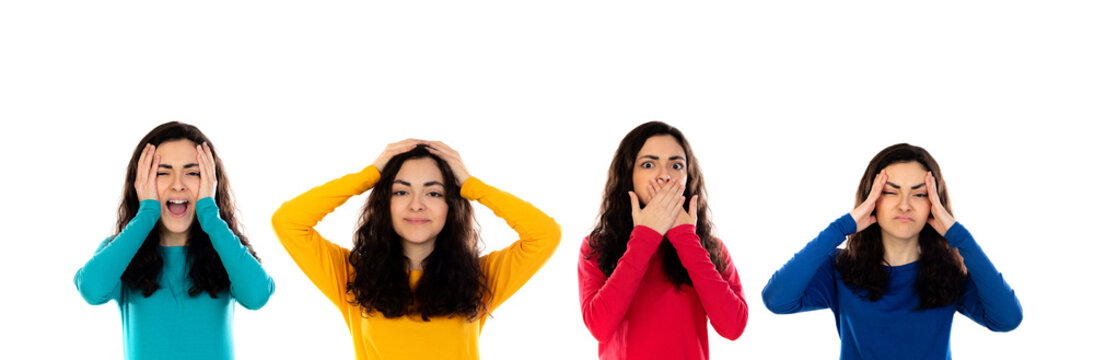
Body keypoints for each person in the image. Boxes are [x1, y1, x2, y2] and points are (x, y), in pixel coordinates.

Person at [271, 139, 560, 360]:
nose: (416, 204)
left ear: (451, 204)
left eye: (433, 192)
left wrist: (472, 185)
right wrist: (369, 176)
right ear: (386, 202)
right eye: (401, 191)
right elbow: (288, 222)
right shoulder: (352, 275)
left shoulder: (479, 277)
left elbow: (545, 234)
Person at [761, 143, 1023, 359]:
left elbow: (1007, 319)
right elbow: (777, 299)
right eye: (890, 192)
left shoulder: (949, 273)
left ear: (934, 203)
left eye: (919, 194)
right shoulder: (840, 267)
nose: (904, 205)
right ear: (872, 198)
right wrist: (842, 227)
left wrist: (959, 236)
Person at [74, 121, 274, 360]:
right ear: (140, 183)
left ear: (211, 183)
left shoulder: (225, 250)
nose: (178, 184)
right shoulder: (122, 251)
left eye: (192, 173)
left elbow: (257, 295)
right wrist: (146, 213)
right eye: (162, 173)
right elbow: (91, 289)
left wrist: (210, 216)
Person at [579, 121, 748, 359]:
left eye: (676, 165)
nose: (664, 176)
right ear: (629, 176)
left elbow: (733, 327)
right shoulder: (598, 247)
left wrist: (685, 239)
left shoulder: (711, 248)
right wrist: (646, 236)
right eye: (649, 164)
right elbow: (599, 326)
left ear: (688, 178)